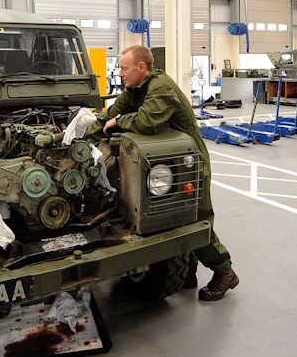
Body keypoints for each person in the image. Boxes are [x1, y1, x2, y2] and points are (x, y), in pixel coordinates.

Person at [102, 45, 238, 301]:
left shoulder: (160, 86)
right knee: (179, 219)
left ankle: (224, 272)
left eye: (123, 68)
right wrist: (76, 132)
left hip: (188, 163)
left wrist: (119, 122)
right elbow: (110, 113)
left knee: (195, 218)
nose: (119, 73)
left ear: (141, 68)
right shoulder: (134, 89)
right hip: (168, 163)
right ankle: (188, 272)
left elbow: (146, 122)